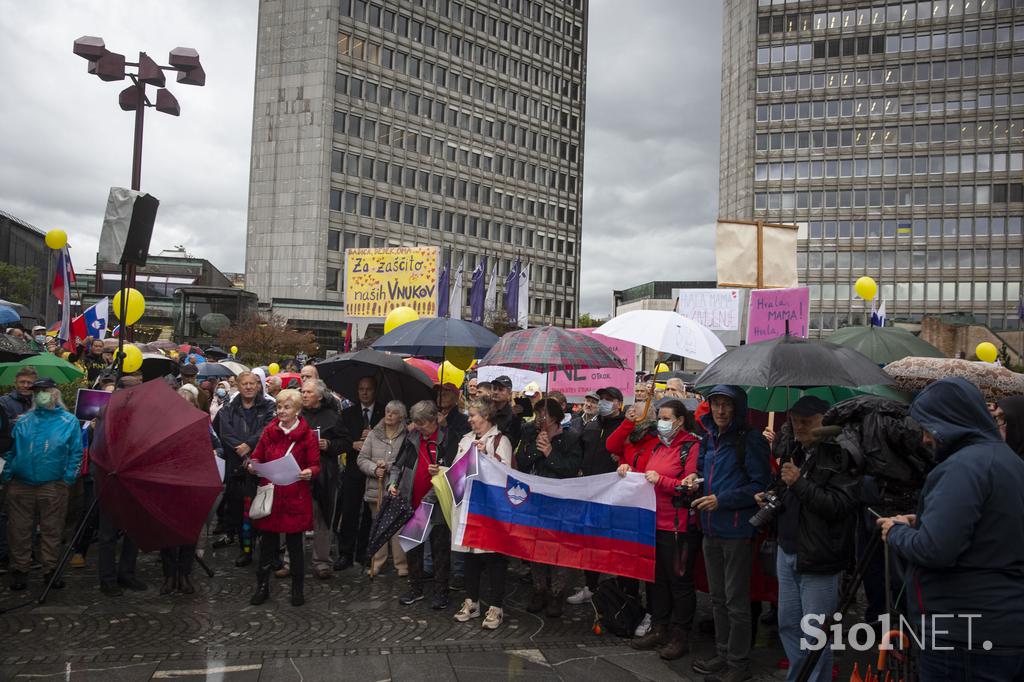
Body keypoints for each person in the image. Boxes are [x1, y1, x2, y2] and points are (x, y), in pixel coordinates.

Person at [878, 378, 1024, 681]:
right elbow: (994, 524)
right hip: (1002, 628)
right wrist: (924, 520)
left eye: (927, 427)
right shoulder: (1009, 460)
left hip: (963, 633)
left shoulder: (963, 466)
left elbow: (935, 549)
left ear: (948, 421)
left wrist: (896, 532)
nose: (925, 438)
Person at [757, 396, 858, 682]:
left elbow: (839, 506)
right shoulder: (796, 450)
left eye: (807, 422)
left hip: (819, 556)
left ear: (824, 421)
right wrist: (771, 495)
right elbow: (786, 490)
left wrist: (799, 483)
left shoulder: (841, 455)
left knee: (814, 633)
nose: (800, 427)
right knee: (788, 625)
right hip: (788, 550)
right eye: (795, 421)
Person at [691, 385, 771, 682]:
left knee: (736, 602)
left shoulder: (750, 441)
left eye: (727, 405)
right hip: (709, 528)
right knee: (717, 598)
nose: (721, 410)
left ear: (738, 408)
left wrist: (721, 500)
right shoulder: (709, 439)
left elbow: (759, 487)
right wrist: (694, 481)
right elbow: (703, 474)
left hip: (736, 530)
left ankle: (738, 664)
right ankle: (722, 654)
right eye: (716, 404)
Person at [616, 399, 702, 660]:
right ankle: (659, 627)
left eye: (666, 418)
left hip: (678, 526)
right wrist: (628, 470)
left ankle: (680, 634)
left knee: (680, 582)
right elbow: (645, 476)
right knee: (657, 581)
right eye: (660, 418)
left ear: (680, 420)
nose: (661, 423)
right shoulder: (659, 447)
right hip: (654, 523)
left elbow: (690, 486)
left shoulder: (691, 446)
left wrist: (662, 480)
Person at [3, 378, 83, 591]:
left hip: (53, 484)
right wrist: (8, 474)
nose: (40, 395)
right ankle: (20, 569)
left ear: (55, 393)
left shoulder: (68, 421)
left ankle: (50, 570)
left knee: (52, 530)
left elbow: (76, 453)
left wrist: (67, 479)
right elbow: (10, 450)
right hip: (21, 484)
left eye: (45, 391)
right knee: (18, 531)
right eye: (37, 391)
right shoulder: (23, 421)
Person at [247, 389, 321, 607]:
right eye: (279, 406)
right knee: (267, 546)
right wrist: (253, 466)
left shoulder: (307, 436)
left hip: (295, 496)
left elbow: (315, 464)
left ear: (297, 410)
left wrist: (310, 472)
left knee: (295, 546)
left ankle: (297, 590)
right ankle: (262, 587)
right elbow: (257, 456)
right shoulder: (269, 432)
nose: (281, 410)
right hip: (271, 494)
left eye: (286, 407)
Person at [515, 398, 583, 618]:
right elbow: (521, 461)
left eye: (542, 415)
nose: (538, 420)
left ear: (553, 417)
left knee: (558, 548)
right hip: (535, 500)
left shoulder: (570, 437)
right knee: (536, 548)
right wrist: (537, 448)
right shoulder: (530, 433)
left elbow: (571, 469)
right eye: (536, 415)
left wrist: (550, 453)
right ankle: (539, 590)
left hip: (560, 501)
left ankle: (557, 594)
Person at [388, 401, 458, 608]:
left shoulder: (449, 438)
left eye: (422, 423)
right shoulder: (411, 438)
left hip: (437, 504)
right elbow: (397, 465)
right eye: (416, 422)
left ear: (434, 420)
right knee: (413, 548)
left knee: (440, 551)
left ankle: (441, 592)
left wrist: (432, 492)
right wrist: (393, 484)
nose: (418, 427)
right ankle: (415, 588)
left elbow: (452, 471)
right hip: (413, 502)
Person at [452, 397, 514, 629]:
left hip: (490, 511)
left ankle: (496, 607)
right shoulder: (466, 439)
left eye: (473, 416)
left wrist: (486, 456)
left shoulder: (501, 440)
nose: (469, 420)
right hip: (469, 507)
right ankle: (472, 601)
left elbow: (505, 473)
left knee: (493, 557)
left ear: (486, 416)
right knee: (470, 557)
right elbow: (458, 466)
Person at [160, 388, 224, 595]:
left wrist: (211, 452)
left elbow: (219, 446)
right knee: (168, 533)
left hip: (192, 484)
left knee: (189, 532)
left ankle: (185, 573)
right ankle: (170, 575)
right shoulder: (163, 427)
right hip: (168, 485)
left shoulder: (202, 424)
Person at [569, 386, 626, 604]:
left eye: (608, 399)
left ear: (618, 404)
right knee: (589, 542)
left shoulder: (623, 426)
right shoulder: (592, 426)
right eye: (601, 399)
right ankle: (589, 586)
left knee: (614, 543)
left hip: (613, 493)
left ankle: (619, 591)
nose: (603, 402)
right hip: (589, 490)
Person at [212, 371, 275, 565]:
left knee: (265, 511)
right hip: (237, 468)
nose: (248, 387)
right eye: (244, 384)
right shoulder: (227, 409)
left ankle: (268, 552)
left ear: (258, 386)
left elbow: (267, 429)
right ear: (238, 387)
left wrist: (250, 444)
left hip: (261, 465)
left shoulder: (269, 406)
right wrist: (244, 452)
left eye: (252, 384)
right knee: (242, 513)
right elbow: (225, 433)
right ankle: (246, 550)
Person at [300, 379, 351, 580]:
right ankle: (290, 559)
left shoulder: (332, 417)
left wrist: (329, 444)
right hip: (299, 473)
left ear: (320, 396)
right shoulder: (297, 415)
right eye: (303, 392)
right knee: (295, 517)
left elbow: (346, 442)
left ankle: (321, 561)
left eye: (309, 392)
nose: (304, 395)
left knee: (322, 518)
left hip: (325, 474)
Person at [336, 376, 383, 570]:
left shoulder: (383, 412)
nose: (364, 392)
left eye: (368, 389)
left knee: (369, 515)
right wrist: (353, 443)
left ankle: (364, 551)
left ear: (374, 391)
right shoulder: (347, 413)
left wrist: (373, 437)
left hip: (373, 470)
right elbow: (339, 439)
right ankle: (345, 553)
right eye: (361, 389)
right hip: (353, 470)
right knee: (349, 511)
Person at [357, 400, 408, 577]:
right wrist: (374, 469)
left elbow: (407, 461)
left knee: (398, 526)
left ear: (401, 416)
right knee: (378, 525)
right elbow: (362, 459)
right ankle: (377, 562)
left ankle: (401, 564)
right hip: (375, 488)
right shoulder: (373, 434)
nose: (389, 415)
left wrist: (388, 465)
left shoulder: (407, 435)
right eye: (387, 411)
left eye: (393, 412)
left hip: (396, 488)